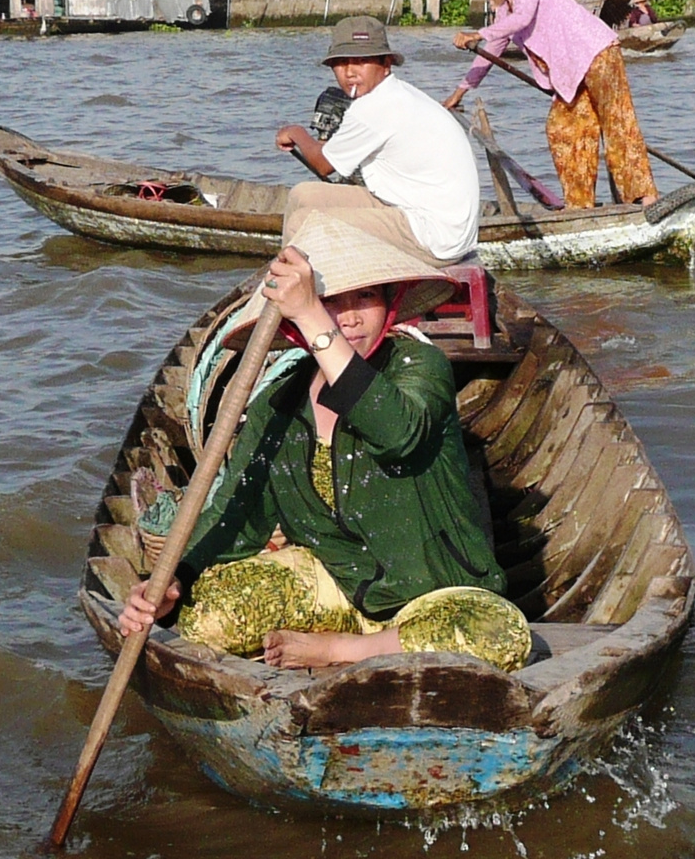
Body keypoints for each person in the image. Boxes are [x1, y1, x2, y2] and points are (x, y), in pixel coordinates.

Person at [119, 213, 532, 673]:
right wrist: (170, 582)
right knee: (205, 618)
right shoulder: (277, 404)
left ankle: (342, 650)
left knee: (502, 633)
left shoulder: (421, 366)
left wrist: (314, 314)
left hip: (435, 593)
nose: (350, 317)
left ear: (392, 303)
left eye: (366, 297)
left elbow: (398, 433)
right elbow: (236, 516)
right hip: (336, 583)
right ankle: (352, 639)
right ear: (293, 326)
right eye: (330, 301)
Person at [443, 0, 658, 211]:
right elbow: (491, 52)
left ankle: (644, 196)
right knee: (562, 128)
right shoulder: (503, 11)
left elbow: (524, 17)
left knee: (617, 121)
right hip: (570, 73)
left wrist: (477, 33)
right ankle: (579, 205)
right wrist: (458, 93)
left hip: (596, 53)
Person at [275, 15, 480, 268]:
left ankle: (296, 299)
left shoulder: (375, 107)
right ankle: (296, 282)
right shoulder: (395, 93)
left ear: (386, 64)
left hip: (435, 236)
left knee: (302, 222)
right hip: (420, 213)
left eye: (361, 61)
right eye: (340, 64)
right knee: (302, 195)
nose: (350, 72)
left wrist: (295, 132)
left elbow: (323, 164)